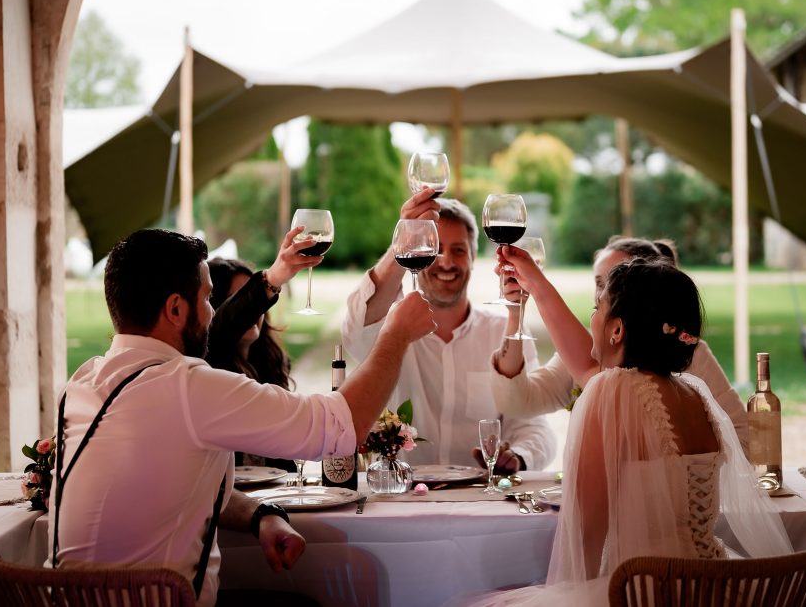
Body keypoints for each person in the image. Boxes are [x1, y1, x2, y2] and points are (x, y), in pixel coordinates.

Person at [49, 229, 435, 607]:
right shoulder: (188, 387)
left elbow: (173, 490)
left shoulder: (80, 384)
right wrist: (396, 335)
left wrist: (259, 515)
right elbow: (338, 427)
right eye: (207, 298)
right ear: (175, 309)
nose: (214, 311)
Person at [454, 260, 792, 607]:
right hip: (711, 588)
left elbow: (586, 531)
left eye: (596, 307)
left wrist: (573, 596)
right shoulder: (696, 394)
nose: (592, 318)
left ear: (617, 330)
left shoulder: (611, 391)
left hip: (642, 592)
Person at [341, 188, 555, 473]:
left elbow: (534, 425)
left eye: (458, 250)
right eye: (435, 248)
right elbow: (356, 328)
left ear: (474, 257)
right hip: (400, 498)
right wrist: (402, 243)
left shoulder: (504, 329)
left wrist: (518, 456)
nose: (446, 261)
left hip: (480, 500)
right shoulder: (391, 329)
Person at [491, 236, 749, 451]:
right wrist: (518, 309)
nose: (597, 297)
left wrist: (536, 284)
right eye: (598, 284)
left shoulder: (611, 388)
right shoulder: (690, 393)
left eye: (608, 289)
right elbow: (519, 401)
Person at [206, 228, 317, 470]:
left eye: (257, 301)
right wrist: (271, 279)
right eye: (239, 300)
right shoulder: (207, 365)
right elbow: (218, 330)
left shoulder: (269, 362)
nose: (253, 310)